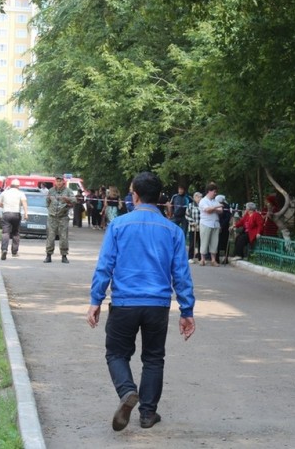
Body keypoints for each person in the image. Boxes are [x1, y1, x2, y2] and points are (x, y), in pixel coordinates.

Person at [86, 171, 196, 431]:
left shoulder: (118, 225)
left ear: (134, 195)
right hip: (157, 305)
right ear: (159, 197)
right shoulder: (173, 230)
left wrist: (95, 300)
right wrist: (187, 310)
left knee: (116, 353)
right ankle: (147, 414)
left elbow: (105, 266)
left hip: (124, 303)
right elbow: (181, 274)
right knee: (154, 358)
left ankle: (127, 391)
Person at [44, 175, 76, 263]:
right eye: (57, 181)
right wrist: (50, 210)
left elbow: (74, 200)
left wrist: (67, 199)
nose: (59, 183)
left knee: (63, 237)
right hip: (52, 217)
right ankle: (48, 255)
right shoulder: (51, 190)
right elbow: (47, 202)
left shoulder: (68, 191)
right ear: (55, 182)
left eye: (60, 181)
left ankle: (64, 256)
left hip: (63, 217)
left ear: (63, 182)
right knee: (50, 236)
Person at [0, 179, 28, 260]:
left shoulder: (4, 193)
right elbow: (24, 203)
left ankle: (4, 249)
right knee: (15, 233)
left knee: (5, 233)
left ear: (10, 185)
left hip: (6, 214)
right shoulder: (20, 193)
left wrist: (5, 206)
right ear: (18, 186)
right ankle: (14, 252)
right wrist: (26, 213)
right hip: (16, 214)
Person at [198, 183, 223, 266]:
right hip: (206, 223)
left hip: (215, 223)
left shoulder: (215, 201)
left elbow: (221, 210)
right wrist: (215, 208)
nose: (215, 193)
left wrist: (213, 209)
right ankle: (202, 259)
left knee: (214, 242)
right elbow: (208, 210)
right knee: (204, 241)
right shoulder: (203, 201)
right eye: (214, 191)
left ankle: (213, 260)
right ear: (209, 191)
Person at [185, 191, 202, 264]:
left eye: (200, 197)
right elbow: (187, 215)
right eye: (198, 197)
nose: (200, 198)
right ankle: (190, 257)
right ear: (194, 197)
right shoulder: (190, 205)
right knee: (192, 243)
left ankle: (200, 258)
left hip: (201, 227)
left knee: (201, 243)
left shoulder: (202, 206)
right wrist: (193, 222)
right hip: (192, 227)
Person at [215, 194, 231, 264]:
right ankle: (216, 258)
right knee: (216, 243)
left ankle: (225, 258)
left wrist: (221, 226)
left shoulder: (226, 206)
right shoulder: (216, 205)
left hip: (224, 227)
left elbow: (227, 218)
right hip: (217, 225)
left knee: (225, 242)